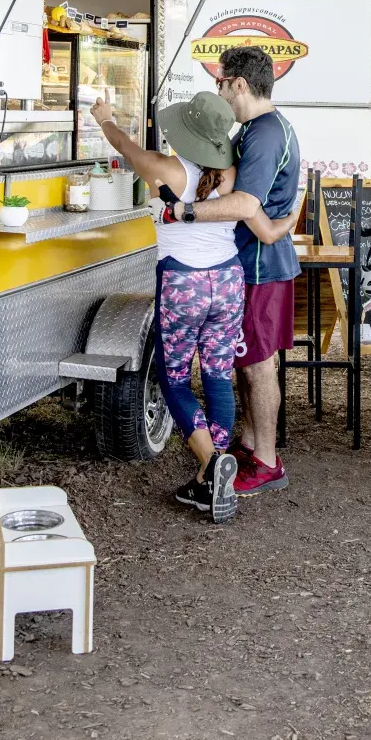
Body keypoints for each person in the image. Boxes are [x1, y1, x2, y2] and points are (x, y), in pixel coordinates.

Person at [90, 90, 293, 523]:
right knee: (218, 374)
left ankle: (208, 462)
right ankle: (217, 464)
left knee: (175, 377)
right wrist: (287, 223)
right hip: (228, 282)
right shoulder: (231, 172)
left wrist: (105, 119)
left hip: (184, 283)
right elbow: (263, 226)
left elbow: (123, 146)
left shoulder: (165, 168)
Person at [165, 46, 301, 498]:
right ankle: (247, 445)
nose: (219, 90)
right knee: (242, 364)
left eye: (221, 83)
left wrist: (184, 213)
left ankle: (266, 460)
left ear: (238, 84)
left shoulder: (263, 134)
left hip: (260, 271)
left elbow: (245, 205)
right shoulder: (257, 129)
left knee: (259, 366)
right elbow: (261, 217)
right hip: (249, 264)